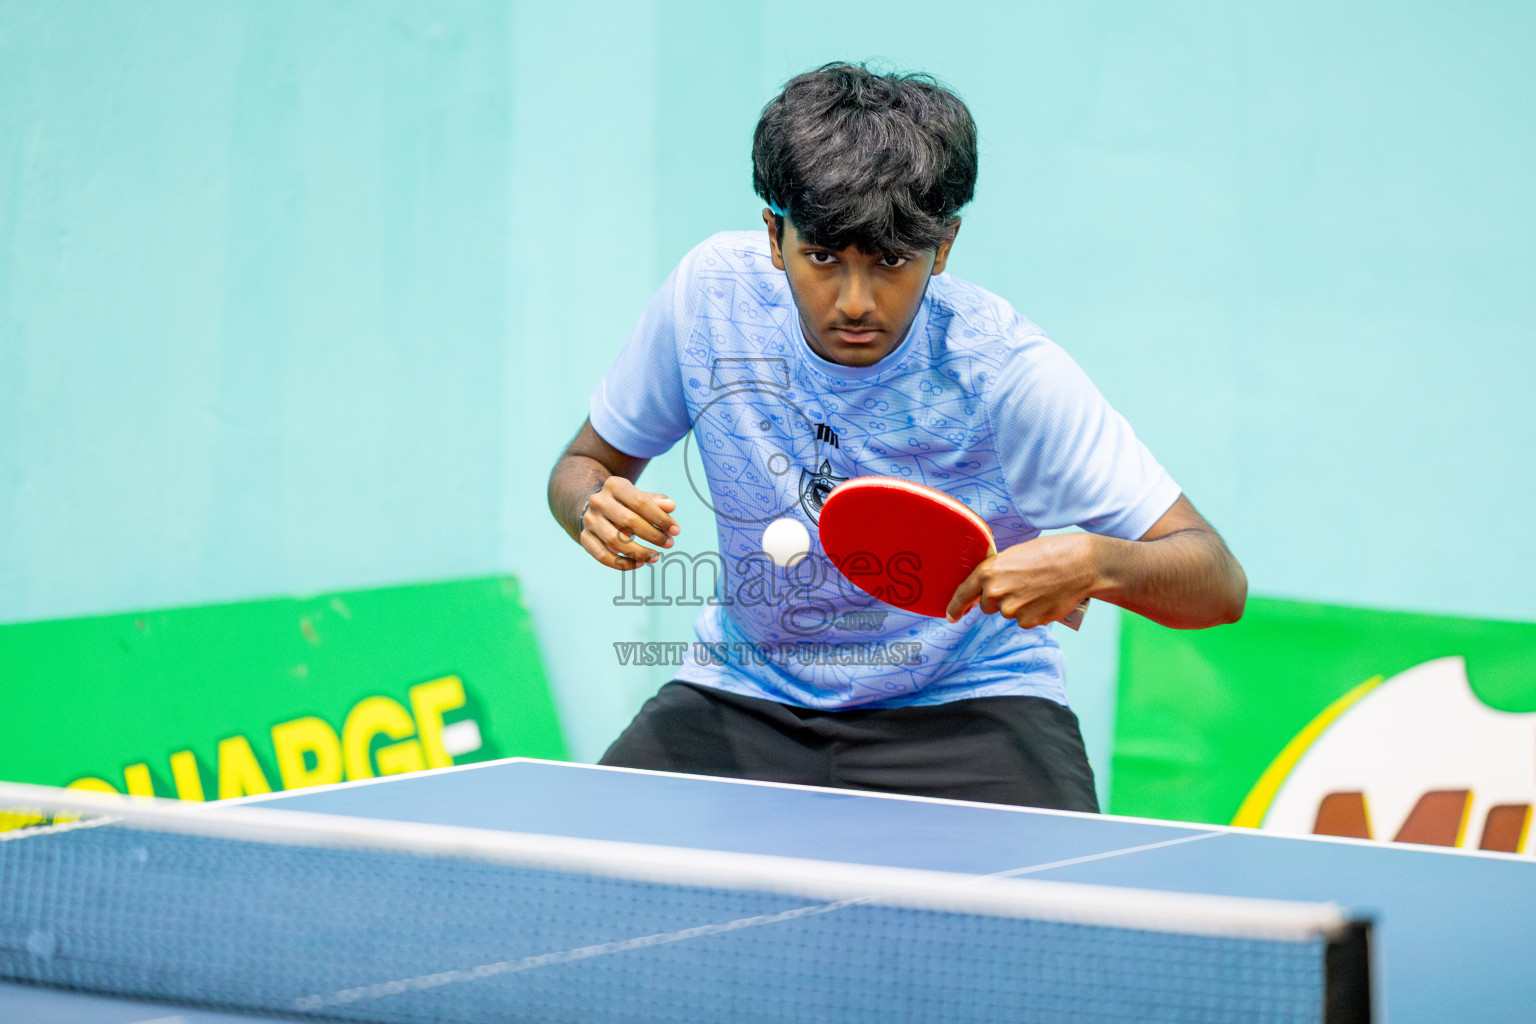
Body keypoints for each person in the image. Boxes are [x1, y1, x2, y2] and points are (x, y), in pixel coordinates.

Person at [546, 63, 1246, 811]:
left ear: (942, 246)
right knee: (578, 859)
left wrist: (1097, 562)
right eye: (822, 258)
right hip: (744, 693)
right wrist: (592, 505)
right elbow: (583, 464)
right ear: (774, 235)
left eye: (890, 261)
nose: (855, 302)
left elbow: (1217, 582)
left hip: (970, 705)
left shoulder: (1008, 374)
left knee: (1061, 887)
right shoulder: (711, 298)